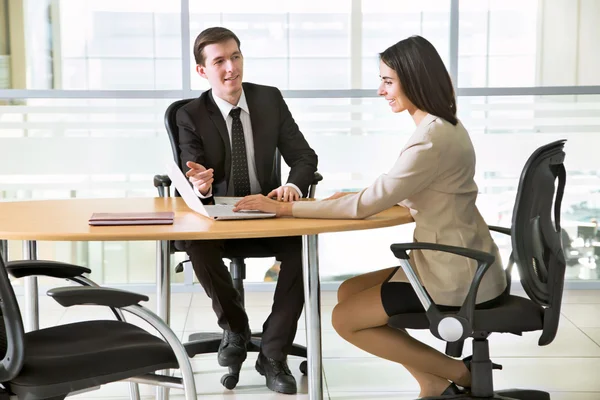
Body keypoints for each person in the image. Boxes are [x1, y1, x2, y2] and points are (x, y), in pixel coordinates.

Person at [234, 35, 508, 398]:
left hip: (455, 273)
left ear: (415, 79)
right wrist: (354, 197)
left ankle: (463, 373)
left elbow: (367, 205)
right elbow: (403, 191)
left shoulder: (430, 139)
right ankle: (433, 384)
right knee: (349, 291)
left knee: (345, 320)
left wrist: (284, 207)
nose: (381, 91)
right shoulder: (441, 127)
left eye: (388, 81)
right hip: (461, 259)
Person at [177, 27, 318, 395]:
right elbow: (190, 171)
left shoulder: (268, 99)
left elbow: (304, 156)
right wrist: (201, 185)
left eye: (235, 57)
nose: (230, 68)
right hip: (219, 220)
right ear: (202, 70)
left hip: (268, 211)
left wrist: (293, 186)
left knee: (304, 250)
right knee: (196, 246)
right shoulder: (190, 114)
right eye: (219, 61)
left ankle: (272, 352)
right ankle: (236, 326)